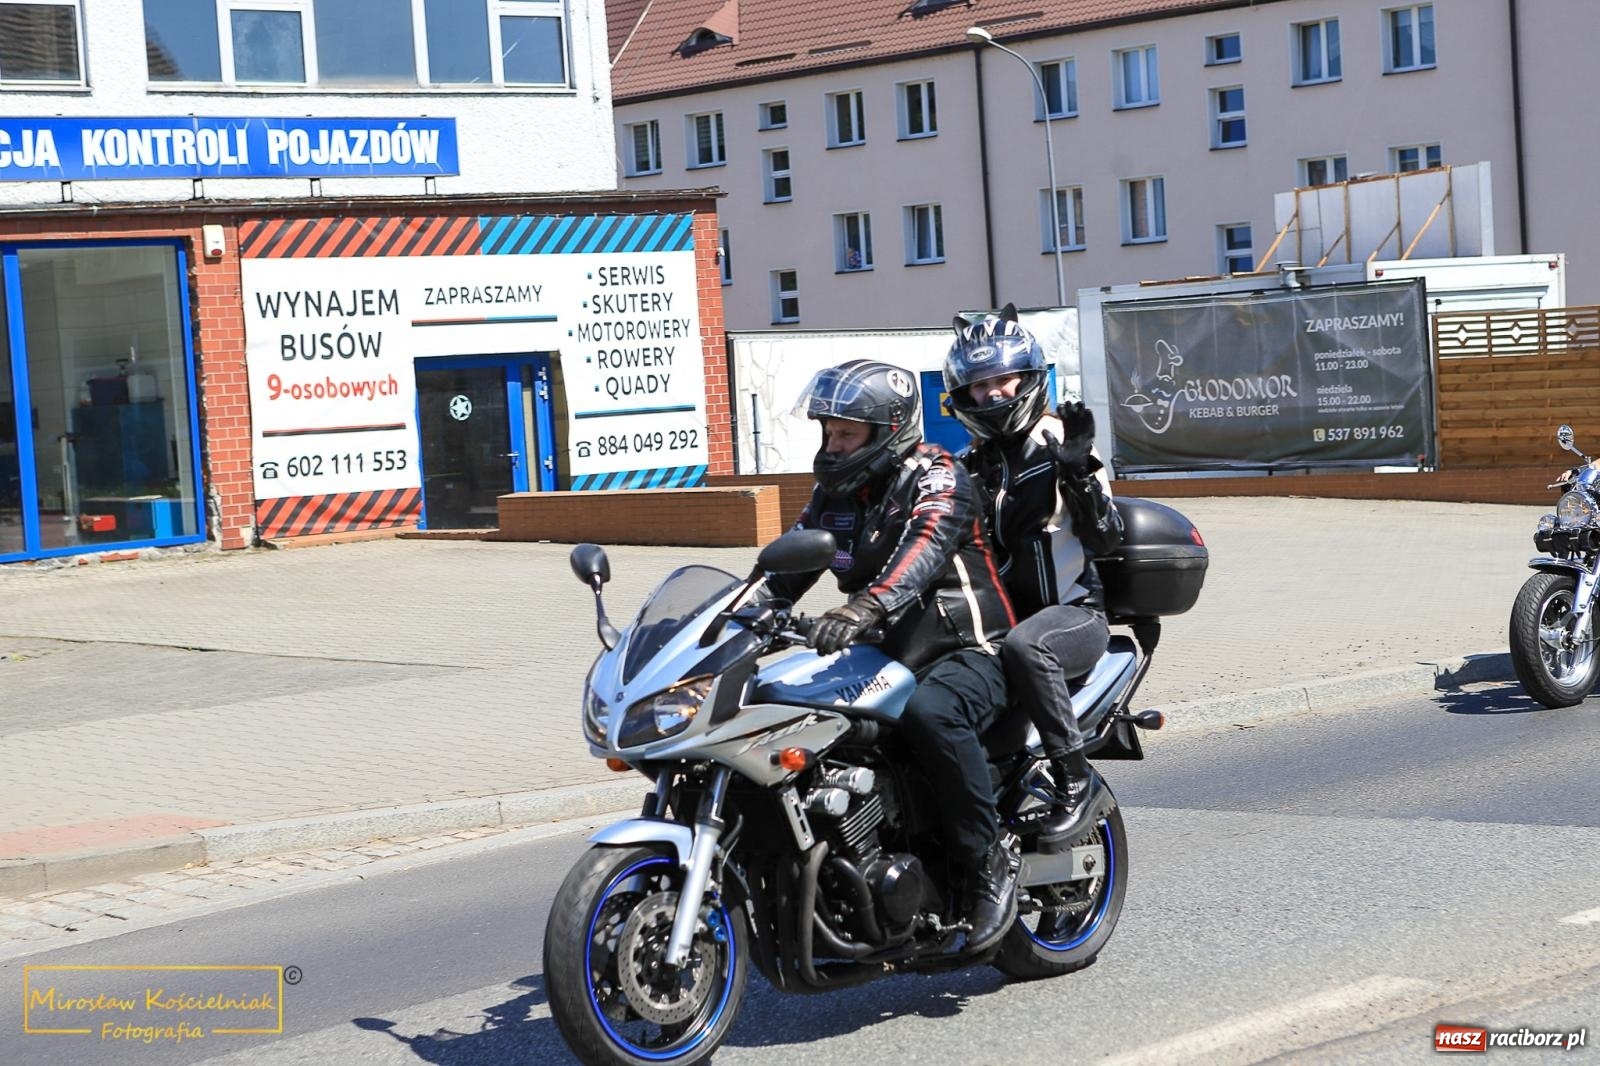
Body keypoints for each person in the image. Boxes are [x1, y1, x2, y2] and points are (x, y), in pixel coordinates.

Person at [765, 358, 1021, 952]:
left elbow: (923, 550)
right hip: (885, 655)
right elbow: (787, 565)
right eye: (827, 432)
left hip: (968, 648)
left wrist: (863, 610)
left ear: (888, 430)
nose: (833, 446)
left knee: (934, 714)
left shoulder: (937, 477)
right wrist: (725, 621)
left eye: (846, 433)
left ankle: (989, 864)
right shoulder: (836, 493)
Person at [942, 305, 1123, 835]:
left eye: (1003, 379)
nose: (992, 394)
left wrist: (1080, 477)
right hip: (998, 623)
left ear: (1028, 377)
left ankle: (1074, 777)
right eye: (979, 385)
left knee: (1028, 646)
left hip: (1071, 617)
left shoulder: (1062, 443)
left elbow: (1106, 540)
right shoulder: (968, 464)